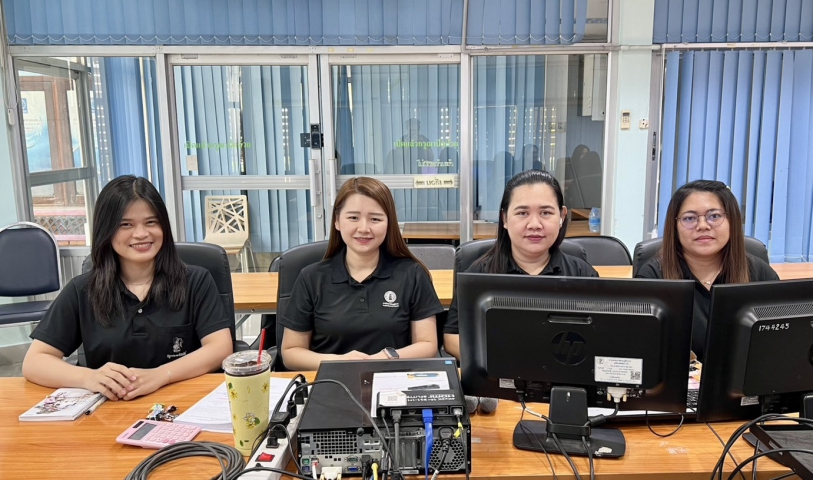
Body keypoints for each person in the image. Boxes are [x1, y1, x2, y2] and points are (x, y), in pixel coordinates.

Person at [22, 176, 234, 401]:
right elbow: (35, 361)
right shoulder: (82, 290)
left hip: (182, 404)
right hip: (110, 409)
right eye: (126, 225)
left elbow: (220, 348)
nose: (141, 234)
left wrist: (161, 375)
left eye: (151, 222)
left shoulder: (195, 280)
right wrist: (89, 378)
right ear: (106, 231)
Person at [280, 177, 443, 371]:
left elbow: (427, 345)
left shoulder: (412, 274)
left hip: (393, 378)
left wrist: (385, 358)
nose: (364, 228)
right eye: (353, 218)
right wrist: (341, 363)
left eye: (375, 219)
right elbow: (291, 352)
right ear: (337, 221)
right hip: (331, 380)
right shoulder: (311, 278)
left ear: (389, 223)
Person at [444, 170, 598, 360]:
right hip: (497, 374)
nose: (534, 224)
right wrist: (502, 362)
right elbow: (453, 337)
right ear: (505, 218)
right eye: (522, 213)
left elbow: (598, 338)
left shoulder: (582, 274)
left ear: (562, 216)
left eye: (546, 213)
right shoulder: (479, 273)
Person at [636, 180, 779, 361]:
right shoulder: (652, 277)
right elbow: (642, 350)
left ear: (732, 221)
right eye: (689, 218)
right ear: (675, 226)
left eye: (714, 216)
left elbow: (778, 345)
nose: (703, 225)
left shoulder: (761, 274)